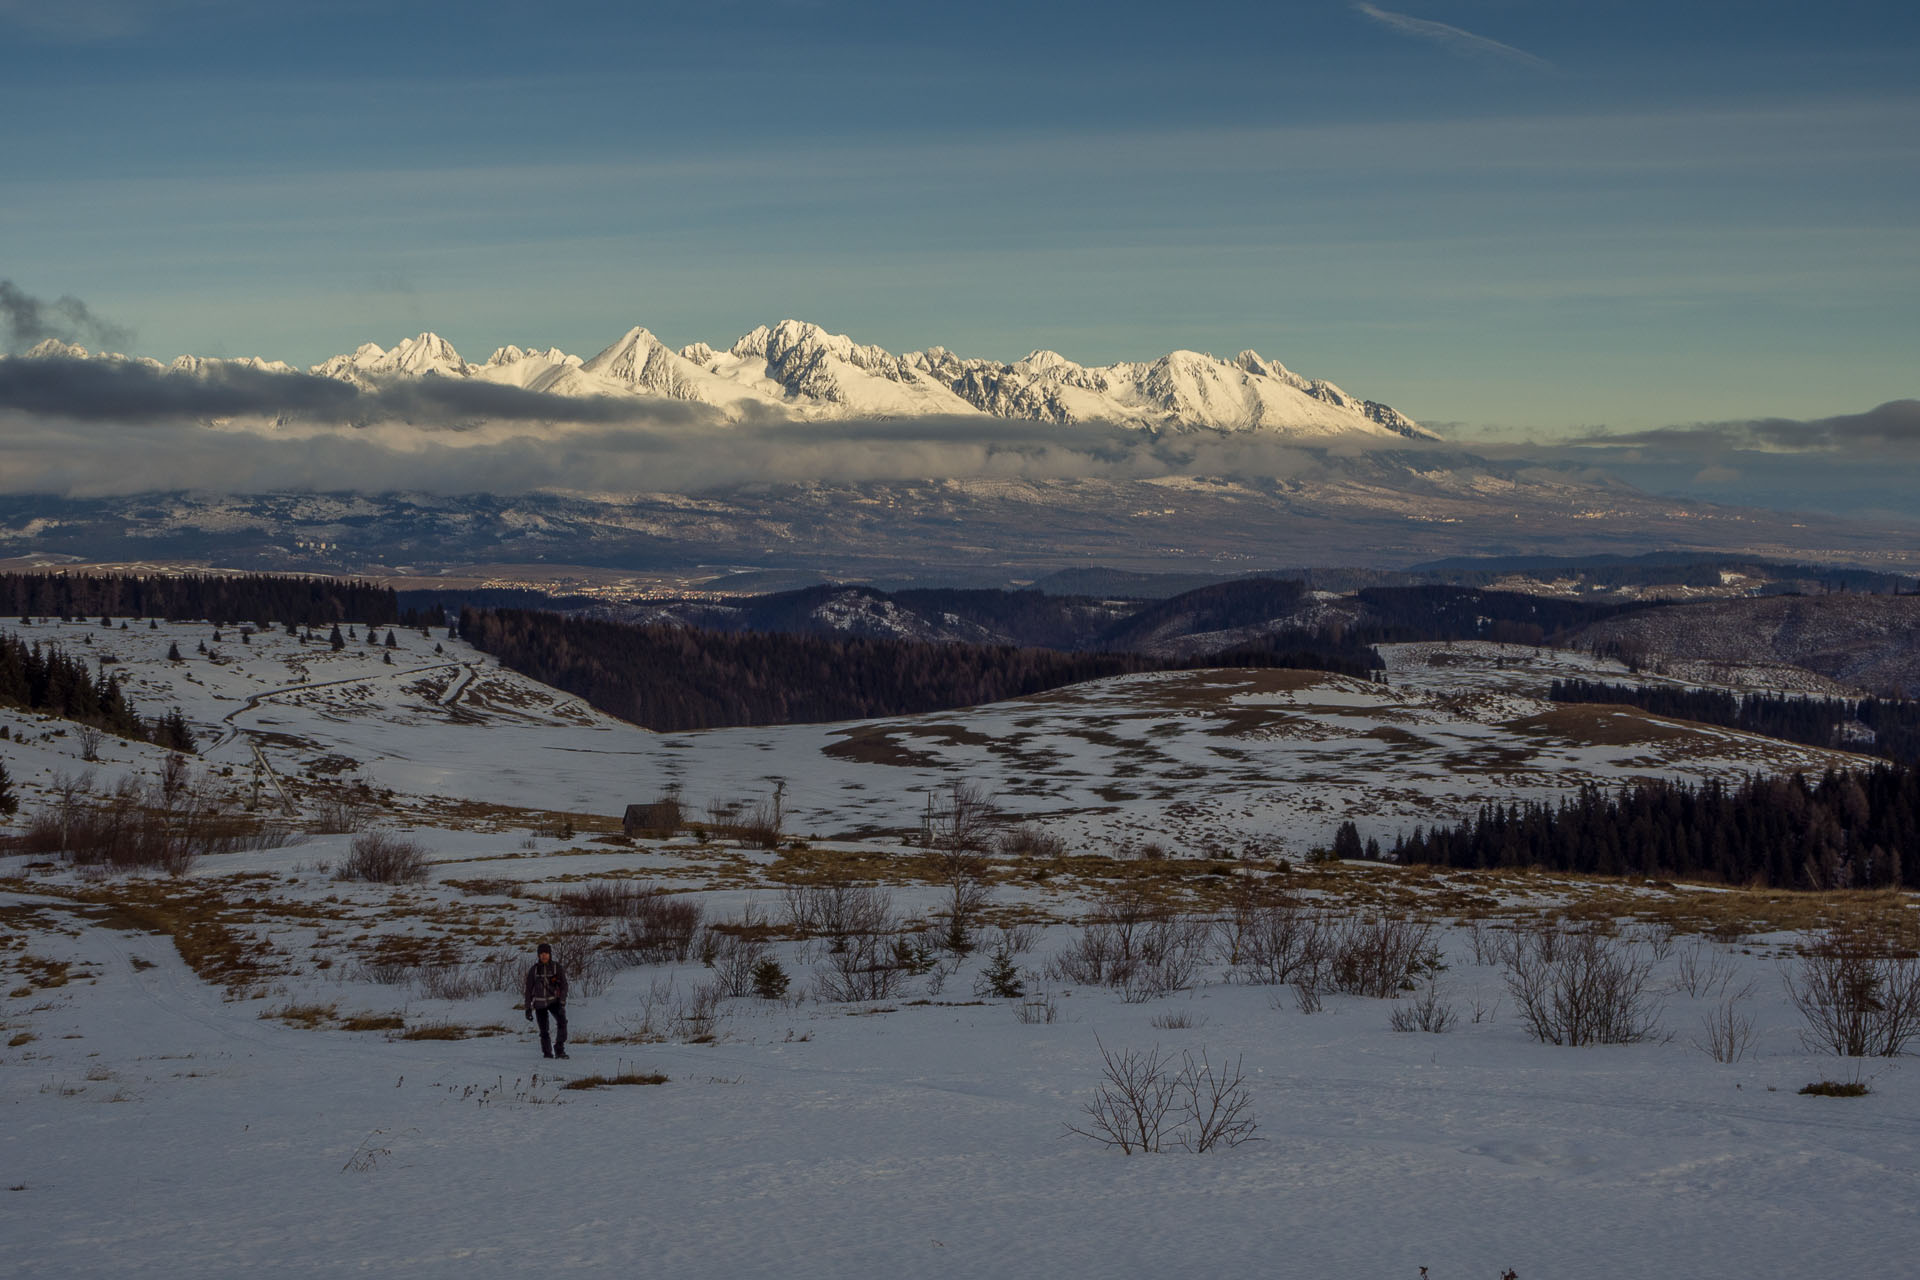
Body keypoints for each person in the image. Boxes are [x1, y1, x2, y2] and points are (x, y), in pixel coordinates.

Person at [523, 942, 569, 1059]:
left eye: (546, 953)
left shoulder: (556, 967)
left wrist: (562, 1002)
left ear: (550, 954)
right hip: (539, 1005)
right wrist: (528, 1008)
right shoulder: (534, 970)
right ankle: (547, 1053)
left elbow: (564, 985)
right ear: (538, 955)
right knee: (544, 1031)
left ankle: (559, 1049)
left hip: (554, 1002)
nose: (544, 956)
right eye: (542, 953)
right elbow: (528, 989)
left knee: (562, 1022)